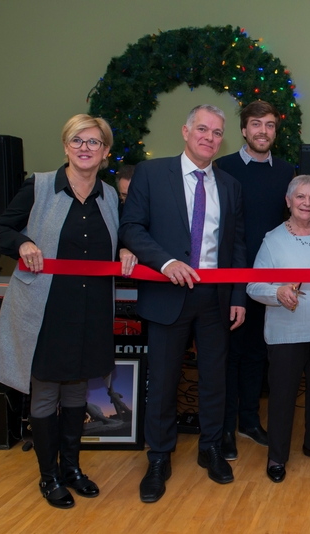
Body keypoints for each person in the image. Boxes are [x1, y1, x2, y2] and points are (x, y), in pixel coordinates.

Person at [0, 114, 137, 509]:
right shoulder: (38, 186)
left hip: (90, 310)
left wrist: (124, 249)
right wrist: (21, 243)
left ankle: (71, 468)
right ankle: (48, 476)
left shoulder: (109, 196)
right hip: (46, 310)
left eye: (93, 142)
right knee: (45, 392)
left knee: (76, 392)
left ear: (105, 152)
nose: (85, 148)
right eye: (77, 140)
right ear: (66, 146)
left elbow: (120, 237)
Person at [119, 104, 246, 502]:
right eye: (202, 130)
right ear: (186, 131)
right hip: (166, 295)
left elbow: (237, 244)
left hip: (214, 298)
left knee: (214, 379)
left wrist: (239, 295)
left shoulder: (229, 185)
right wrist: (167, 261)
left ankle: (210, 448)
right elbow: (131, 227)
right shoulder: (152, 174)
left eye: (216, 132)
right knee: (163, 383)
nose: (209, 137)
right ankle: (158, 457)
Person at [246, 175, 310, 483]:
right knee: (283, 396)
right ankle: (277, 456)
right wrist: (277, 293)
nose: (306, 203)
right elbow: (253, 286)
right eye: (300, 197)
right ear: (288, 201)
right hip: (286, 333)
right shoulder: (272, 240)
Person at [214, 100, 294, 460]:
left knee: (257, 356)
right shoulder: (223, 169)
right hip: (232, 279)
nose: (264, 131)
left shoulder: (288, 173)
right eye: (256, 124)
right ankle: (225, 427)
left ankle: (249, 420)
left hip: (268, 282)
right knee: (230, 356)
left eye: (270, 125)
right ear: (244, 130)